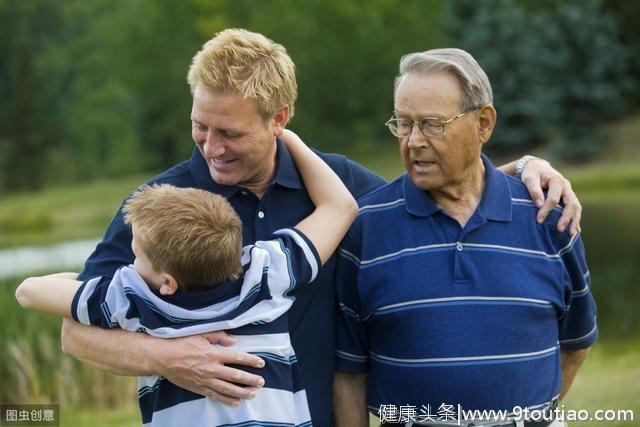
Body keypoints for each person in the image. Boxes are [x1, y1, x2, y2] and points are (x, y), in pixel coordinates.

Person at [59, 29, 583, 426]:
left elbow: (430, 190)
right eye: (200, 126)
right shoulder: (159, 208)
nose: (211, 147)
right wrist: (170, 358)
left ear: (279, 117)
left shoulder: (339, 185)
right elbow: (77, 332)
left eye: (231, 133)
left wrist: (522, 170)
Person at [16, 130, 359, 426]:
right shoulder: (265, 275)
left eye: (136, 255)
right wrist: (287, 138)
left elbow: (28, 292)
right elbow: (339, 206)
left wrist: (83, 281)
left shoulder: (138, 301)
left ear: (168, 282)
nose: (131, 265)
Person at [333, 48, 597, 427]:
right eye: (403, 124)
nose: (414, 141)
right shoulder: (364, 228)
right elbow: (349, 371)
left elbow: (576, 342)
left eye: (432, 124)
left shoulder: (549, 218)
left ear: (483, 124)